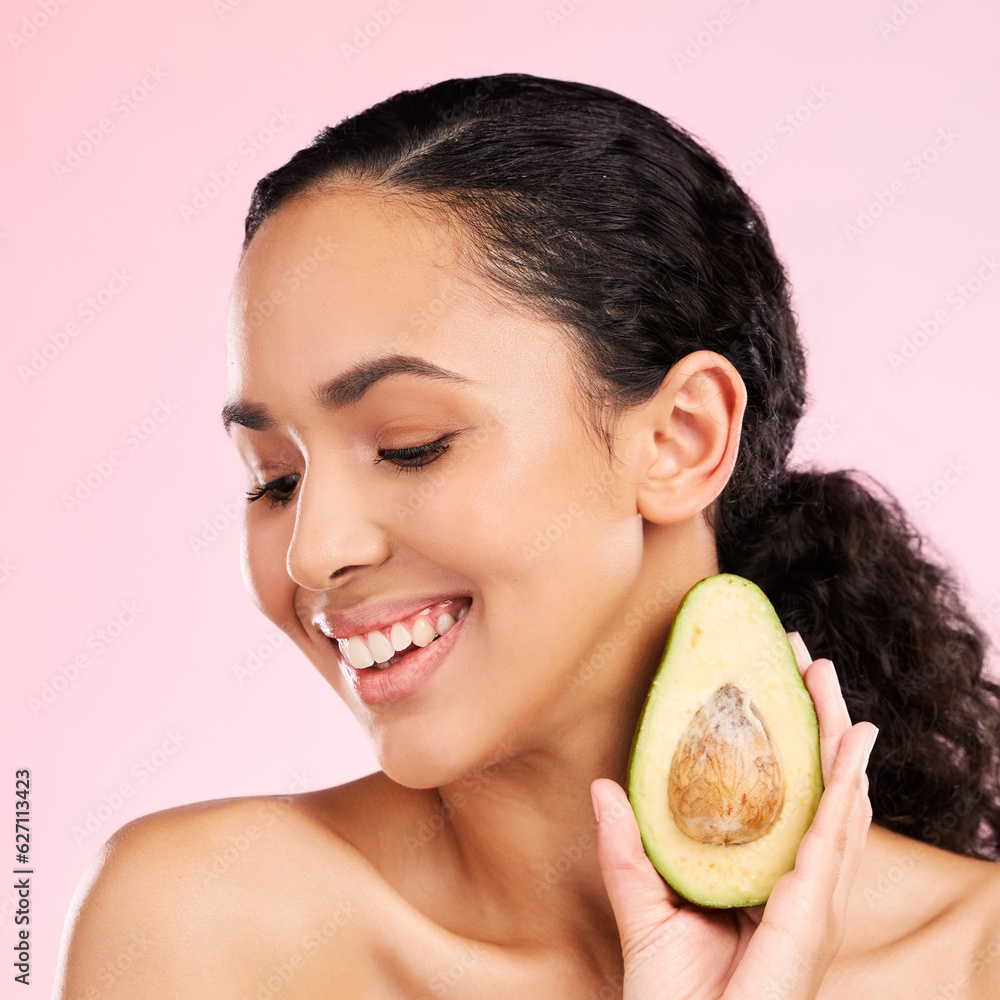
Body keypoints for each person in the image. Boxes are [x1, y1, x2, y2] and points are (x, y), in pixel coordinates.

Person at [54, 73, 1000, 999]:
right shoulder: (198, 932)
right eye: (276, 480)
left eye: (410, 446)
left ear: (680, 440)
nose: (313, 552)